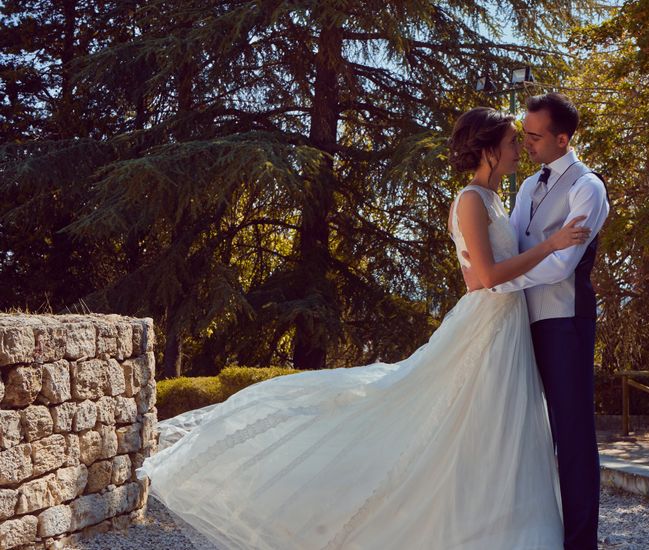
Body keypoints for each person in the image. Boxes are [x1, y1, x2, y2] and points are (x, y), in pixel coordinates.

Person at [136, 106, 592, 550]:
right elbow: (487, 278)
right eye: (513, 141)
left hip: (508, 327)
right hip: (488, 327)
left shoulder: (497, 200)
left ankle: (502, 527)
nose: (519, 148)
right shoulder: (471, 200)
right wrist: (552, 243)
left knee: (502, 434)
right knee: (470, 428)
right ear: (489, 149)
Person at [466, 93, 609, 550]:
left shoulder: (588, 188)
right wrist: (493, 283)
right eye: (522, 135)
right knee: (522, 432)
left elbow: (561, 264)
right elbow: (512, 251)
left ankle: (581, 542)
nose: (525, 142)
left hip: (564, 322)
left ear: (562, 139)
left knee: (573, 436)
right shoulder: (527, 188)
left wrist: (495, 284)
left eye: (533, 135)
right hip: (516, 326)